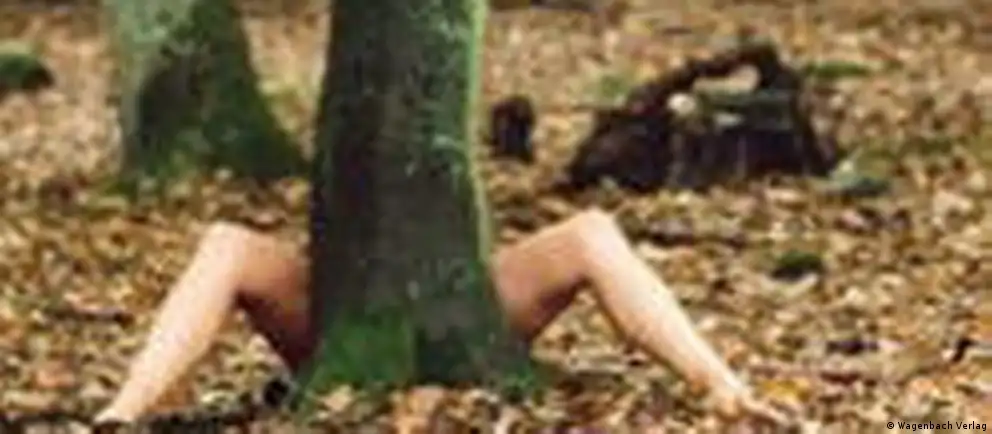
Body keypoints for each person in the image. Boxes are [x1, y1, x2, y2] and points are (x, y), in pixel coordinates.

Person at [94, 209, 786, 424]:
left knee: (592, 232)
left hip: (459, 294)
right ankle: (124, 411)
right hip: (343, 302)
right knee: (225, 244)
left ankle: (720, 385)